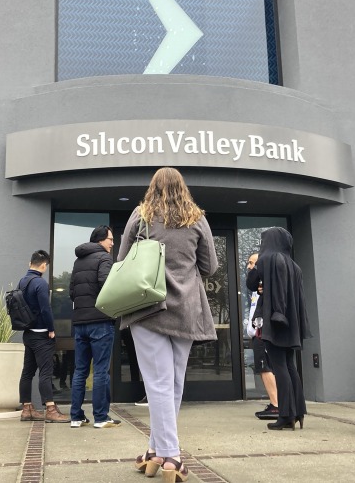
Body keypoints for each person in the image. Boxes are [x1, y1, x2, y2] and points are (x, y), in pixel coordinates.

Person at [120, 167, 217, 481]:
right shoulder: (197, 218)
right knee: (172, 384)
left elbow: (122, 261)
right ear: (182, 187)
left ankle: (171, 457)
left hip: (147, 308)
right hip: (186, 310)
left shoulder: (141, 216)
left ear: (153, 187)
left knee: (158, 384)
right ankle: (155, 451)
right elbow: (211, 266)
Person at [247, 227, 312, 431]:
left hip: (275, 320)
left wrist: (255, 270)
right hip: (291, 322)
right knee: (290, 366)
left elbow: (250, 283)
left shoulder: (266, 260)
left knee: (279, 366)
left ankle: (285, 414)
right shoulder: (294, 266)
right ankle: (298, 411)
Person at [68, 225, 122, 428]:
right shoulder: (104, 258)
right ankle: (101, 417)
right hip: (100, 321)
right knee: (100, 371)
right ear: (101, 240)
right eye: (110, 239)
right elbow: (106, 285)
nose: (112, 242)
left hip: (80, 322)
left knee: (80, 370)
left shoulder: (78, 261)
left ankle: (76, 416)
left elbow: (72, 291)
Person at [18, 250, 70, 423]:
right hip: (41, 335)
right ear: (43, 265)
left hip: (28, 334)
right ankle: (50, 409)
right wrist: (51, 329)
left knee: (27, 373)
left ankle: (27, 409)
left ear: (29, 263)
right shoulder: (40, 283)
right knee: (46, 373)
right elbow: (45, 309)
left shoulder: (22, 282)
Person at [245, 252, 279, 420]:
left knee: (265, 367)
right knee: (264, 368)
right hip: (257, 333)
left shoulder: (266, 286)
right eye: (248, 263)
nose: (249, 266)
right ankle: (276, 403)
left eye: (252, 263)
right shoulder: (256, 289)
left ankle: (276, 405)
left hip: (262, 334)